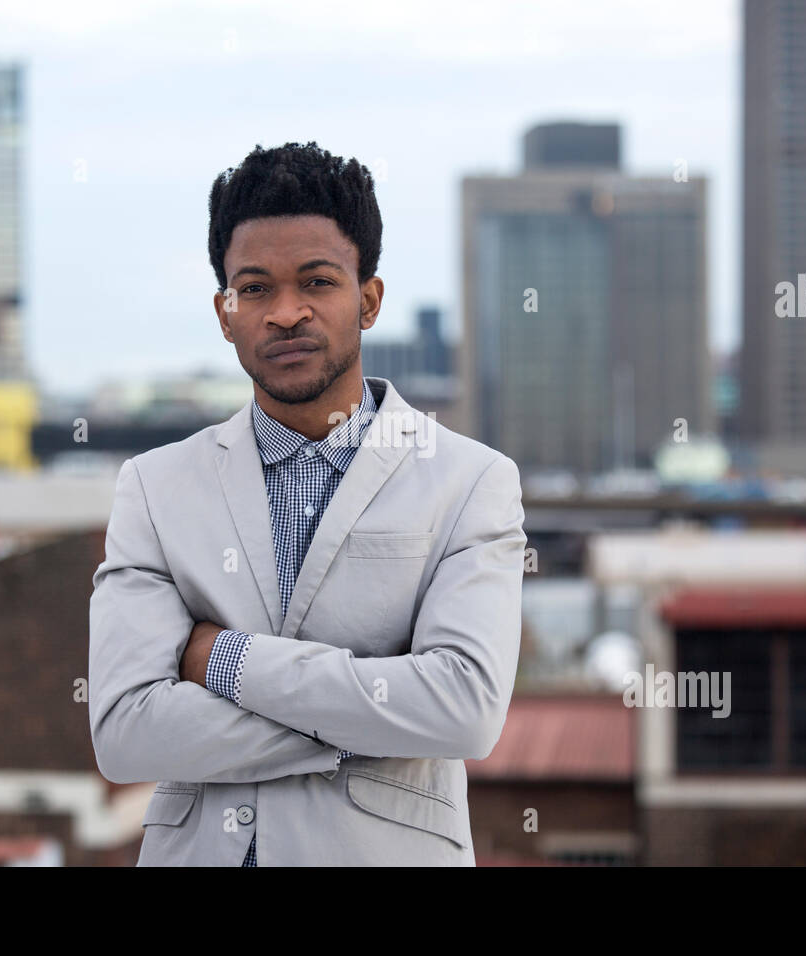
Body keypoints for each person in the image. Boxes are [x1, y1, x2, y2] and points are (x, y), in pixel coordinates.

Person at [88, 141, 526, 865]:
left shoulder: (468, 480)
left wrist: (223, 660)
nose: (285, 312)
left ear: (369, 299)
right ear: (225, 314)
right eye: (254, 288)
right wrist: (370, 722)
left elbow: (464, 710)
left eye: (316, 282)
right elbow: (128, 732)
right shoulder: (155, 487)